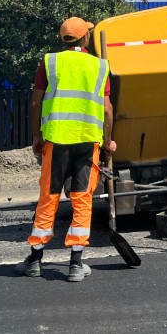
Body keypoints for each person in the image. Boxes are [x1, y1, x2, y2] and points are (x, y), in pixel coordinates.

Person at [14, 16, 116, 282]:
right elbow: (106, 108)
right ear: (85, 38)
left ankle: (35, 261)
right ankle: (75, 264)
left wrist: (36, 136)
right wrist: (108, 142)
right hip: (86, 141)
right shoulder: (100, 66)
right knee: (82, 199)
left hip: (56, 141)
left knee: (49, 197)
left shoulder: (50, 62)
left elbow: (36, 103)